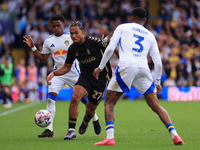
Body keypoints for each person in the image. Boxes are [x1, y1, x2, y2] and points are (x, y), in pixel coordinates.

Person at [93, 7, 184, 146]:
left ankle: (110, 138)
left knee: (109, 102)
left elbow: (110, 48)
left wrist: (100, 67)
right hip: (143, 69)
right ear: (145, 20)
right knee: (155, 105)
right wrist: (158, 82)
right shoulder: (150, 35)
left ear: (132, 17)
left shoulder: (122, 27)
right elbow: (158, 62)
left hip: (126, 67)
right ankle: (175, 135)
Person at [23, 15, 99, 138]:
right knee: (50, 98)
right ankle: (49, 129)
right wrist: (33, 47)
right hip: (57, 73)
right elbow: (43, 59)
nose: (56, 28)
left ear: (64, 25)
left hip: (74, 73)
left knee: (84, 99)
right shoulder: (48, 41)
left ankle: (95, 118)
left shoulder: (72, 36)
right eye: (53, 26)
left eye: (58, 25)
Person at [46, 21, 115, 140]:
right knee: (75, 97)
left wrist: (109, 44)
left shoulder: (94, 42)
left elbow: (111, 47)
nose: (73, 36)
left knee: (90, 111)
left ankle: (86, 120)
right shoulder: (72, 48)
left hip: (101, 79)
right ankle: (71, 130)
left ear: (82, 32)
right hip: (86, 76)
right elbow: (66, 67)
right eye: (71, 33)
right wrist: (54, 72)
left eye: (76, 33)